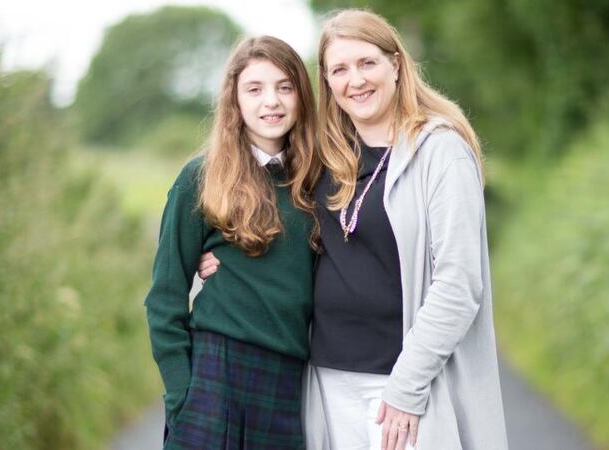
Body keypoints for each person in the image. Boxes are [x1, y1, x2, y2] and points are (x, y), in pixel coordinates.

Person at [200, 9, 508, 450]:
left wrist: (406, 387)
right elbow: (263, 216)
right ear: (327, 82)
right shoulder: (324, 157)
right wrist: (216, 254)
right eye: (339, 70)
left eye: (367, 63)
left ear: (396, 65)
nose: (355, 80)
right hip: (329, 382)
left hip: (407, 385)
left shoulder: (440, 151)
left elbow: (459, 284)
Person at [144, 35, 319, 450]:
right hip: (213, 374)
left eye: (284, 87)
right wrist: (180, 394)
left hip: (284, 378)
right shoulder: (202, 178)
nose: (271, 102)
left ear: (301, 95)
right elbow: (165, 298)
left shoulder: (316, 183)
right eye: (255, 89)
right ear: (235, 101)